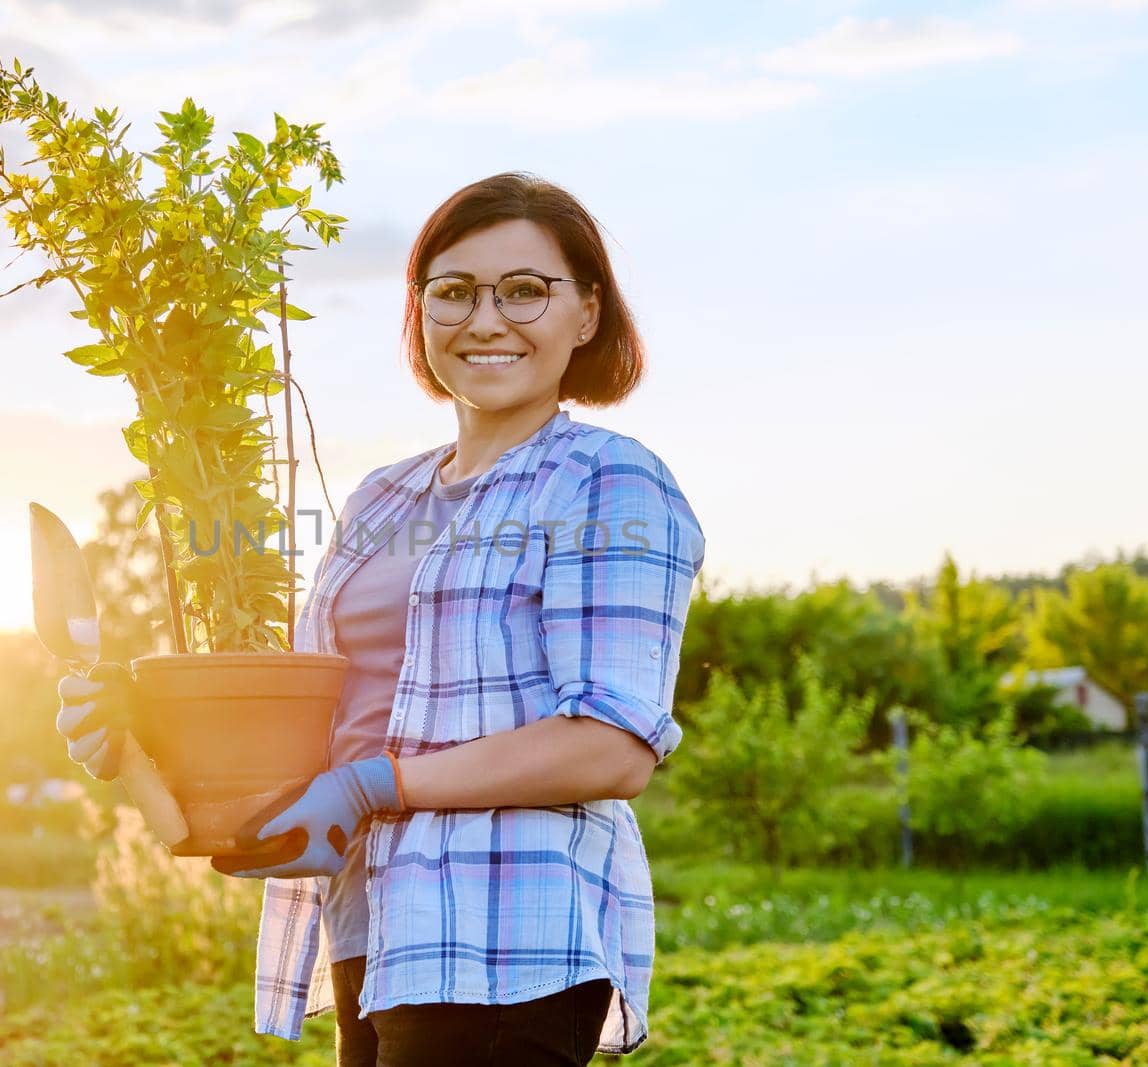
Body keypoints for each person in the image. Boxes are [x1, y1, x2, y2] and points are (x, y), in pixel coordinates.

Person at [56, 172, 706, 1065]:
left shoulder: (606, 481)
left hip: (503, 937)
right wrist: (139, 738)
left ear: (586, 313)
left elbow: (610, 746)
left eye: (525, 289)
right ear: (419, 312)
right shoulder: (381, 500)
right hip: (372, 922)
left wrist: (373, 786)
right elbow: (319, 724)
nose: (486, 318)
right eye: (453, 291)